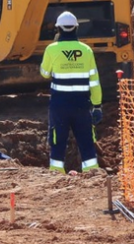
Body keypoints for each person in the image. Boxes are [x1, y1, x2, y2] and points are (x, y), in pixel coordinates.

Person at [39, 11, 103, 174]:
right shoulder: (86, 50)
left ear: (58, 29)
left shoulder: (51, 49)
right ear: (76, 28)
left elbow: (44, 73)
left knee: (57, 140)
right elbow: (94, 82)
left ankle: (56, 172)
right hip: (82, 105)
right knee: (86, 140)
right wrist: (97, 106)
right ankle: (91, 173)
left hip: (59, 105)